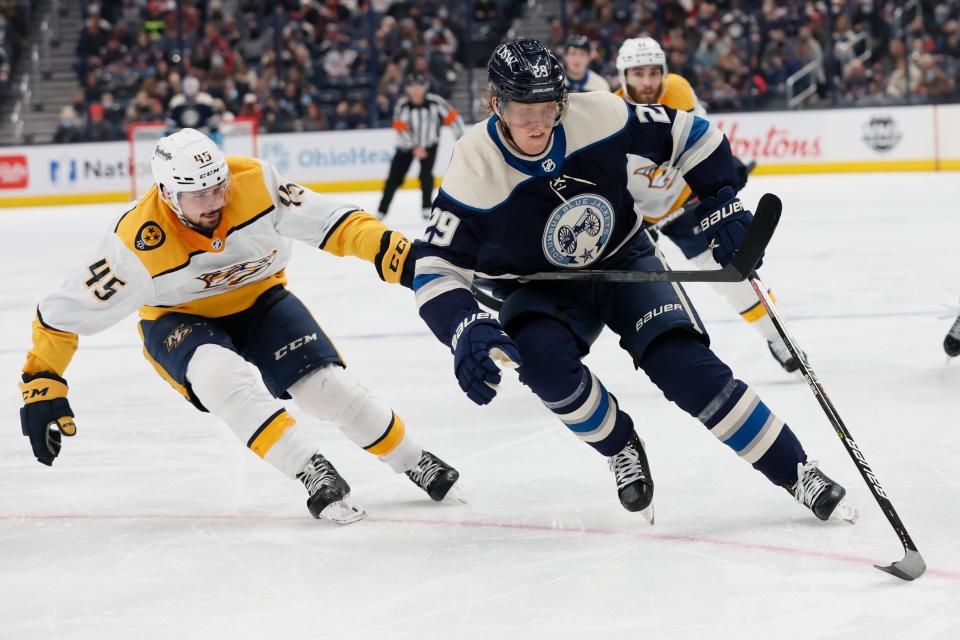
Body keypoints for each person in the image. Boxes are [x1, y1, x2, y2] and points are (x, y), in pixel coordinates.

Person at [411, 39, 856, 524]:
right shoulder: (472, 167)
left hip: (624, 253)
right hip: (536, 286)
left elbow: (692, 134)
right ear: (496, 103)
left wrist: (721, 200)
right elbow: (434, 267)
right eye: (524, 110)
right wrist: (461, 325)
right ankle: (619, 443)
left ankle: (797, 472)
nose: (538, 122)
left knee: (684, 365)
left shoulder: (598, 114)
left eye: (548, 107)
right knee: (543, 368)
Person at [18, 129, 462, 524]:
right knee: (221, 378)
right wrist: (43, 382)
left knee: (327, 388)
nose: (215, 201)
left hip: (260, 298)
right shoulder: (136, 243)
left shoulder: (254, 181)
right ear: (169, 194)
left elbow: (335, 223)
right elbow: (62, 313)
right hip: (178, 317)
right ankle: (309, 468)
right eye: (199, 195)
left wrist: (398, 255)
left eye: (218, 187)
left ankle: (414, 459)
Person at [614, 37, 798, 372]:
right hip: (637, 217)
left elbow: (700, 141)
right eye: (637, 73)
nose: (646, 82)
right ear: (623, 75)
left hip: (686, 203)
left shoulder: (679, 93)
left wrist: (722, 175)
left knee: (731, 277)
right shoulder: (610, 113)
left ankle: (779, 337)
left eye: (654, 72)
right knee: (636, 295)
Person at [377, 74, 464, 220]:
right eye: (413, 87)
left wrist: (461, 140)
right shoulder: (402, 105)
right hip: (406, 147)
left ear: (425, 88)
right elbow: (399, 127)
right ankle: (382, 210)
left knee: (426, 176)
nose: (416, 90)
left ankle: (426, 207)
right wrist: (414, 147)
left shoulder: (436, 103)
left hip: (429, 145)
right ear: (408, 89)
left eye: (419, 86)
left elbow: (454, 118)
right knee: (394, 178)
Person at [166, 76, 222, 145]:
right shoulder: (176, 101)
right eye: (188, 87)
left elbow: (214, 124)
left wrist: (216, 139)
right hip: (181, 138)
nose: (190, 89)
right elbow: (170, 125)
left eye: (192, 86)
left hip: (203, 136)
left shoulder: (206, 100)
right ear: (183, 87)